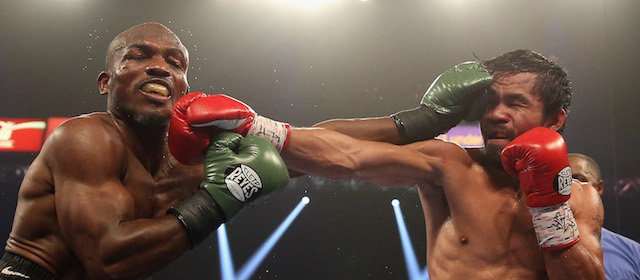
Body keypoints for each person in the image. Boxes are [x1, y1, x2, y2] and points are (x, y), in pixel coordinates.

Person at [170, 49, 605, 279]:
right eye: (490, 102)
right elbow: (347, 156)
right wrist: (255, 126)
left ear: (555, 119)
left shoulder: (580, 198)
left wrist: (550, 209)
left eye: (516, 103)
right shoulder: (451, 164)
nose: (496, 115)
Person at [0, 22, 289, 280]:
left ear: (184, 90)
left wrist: (258, 127)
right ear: (106, 82)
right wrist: (223, 196)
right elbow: (107, 262)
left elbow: (333, 149)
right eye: (137, 56)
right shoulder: (84, 137)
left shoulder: (195, 163)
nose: (160, 67)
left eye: (175, 63)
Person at [568, 153, 640, 279]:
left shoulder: (633, 252)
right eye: (563, 180)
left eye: (578, 180)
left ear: (598, 188)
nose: (570, 187)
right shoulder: (533, 251)